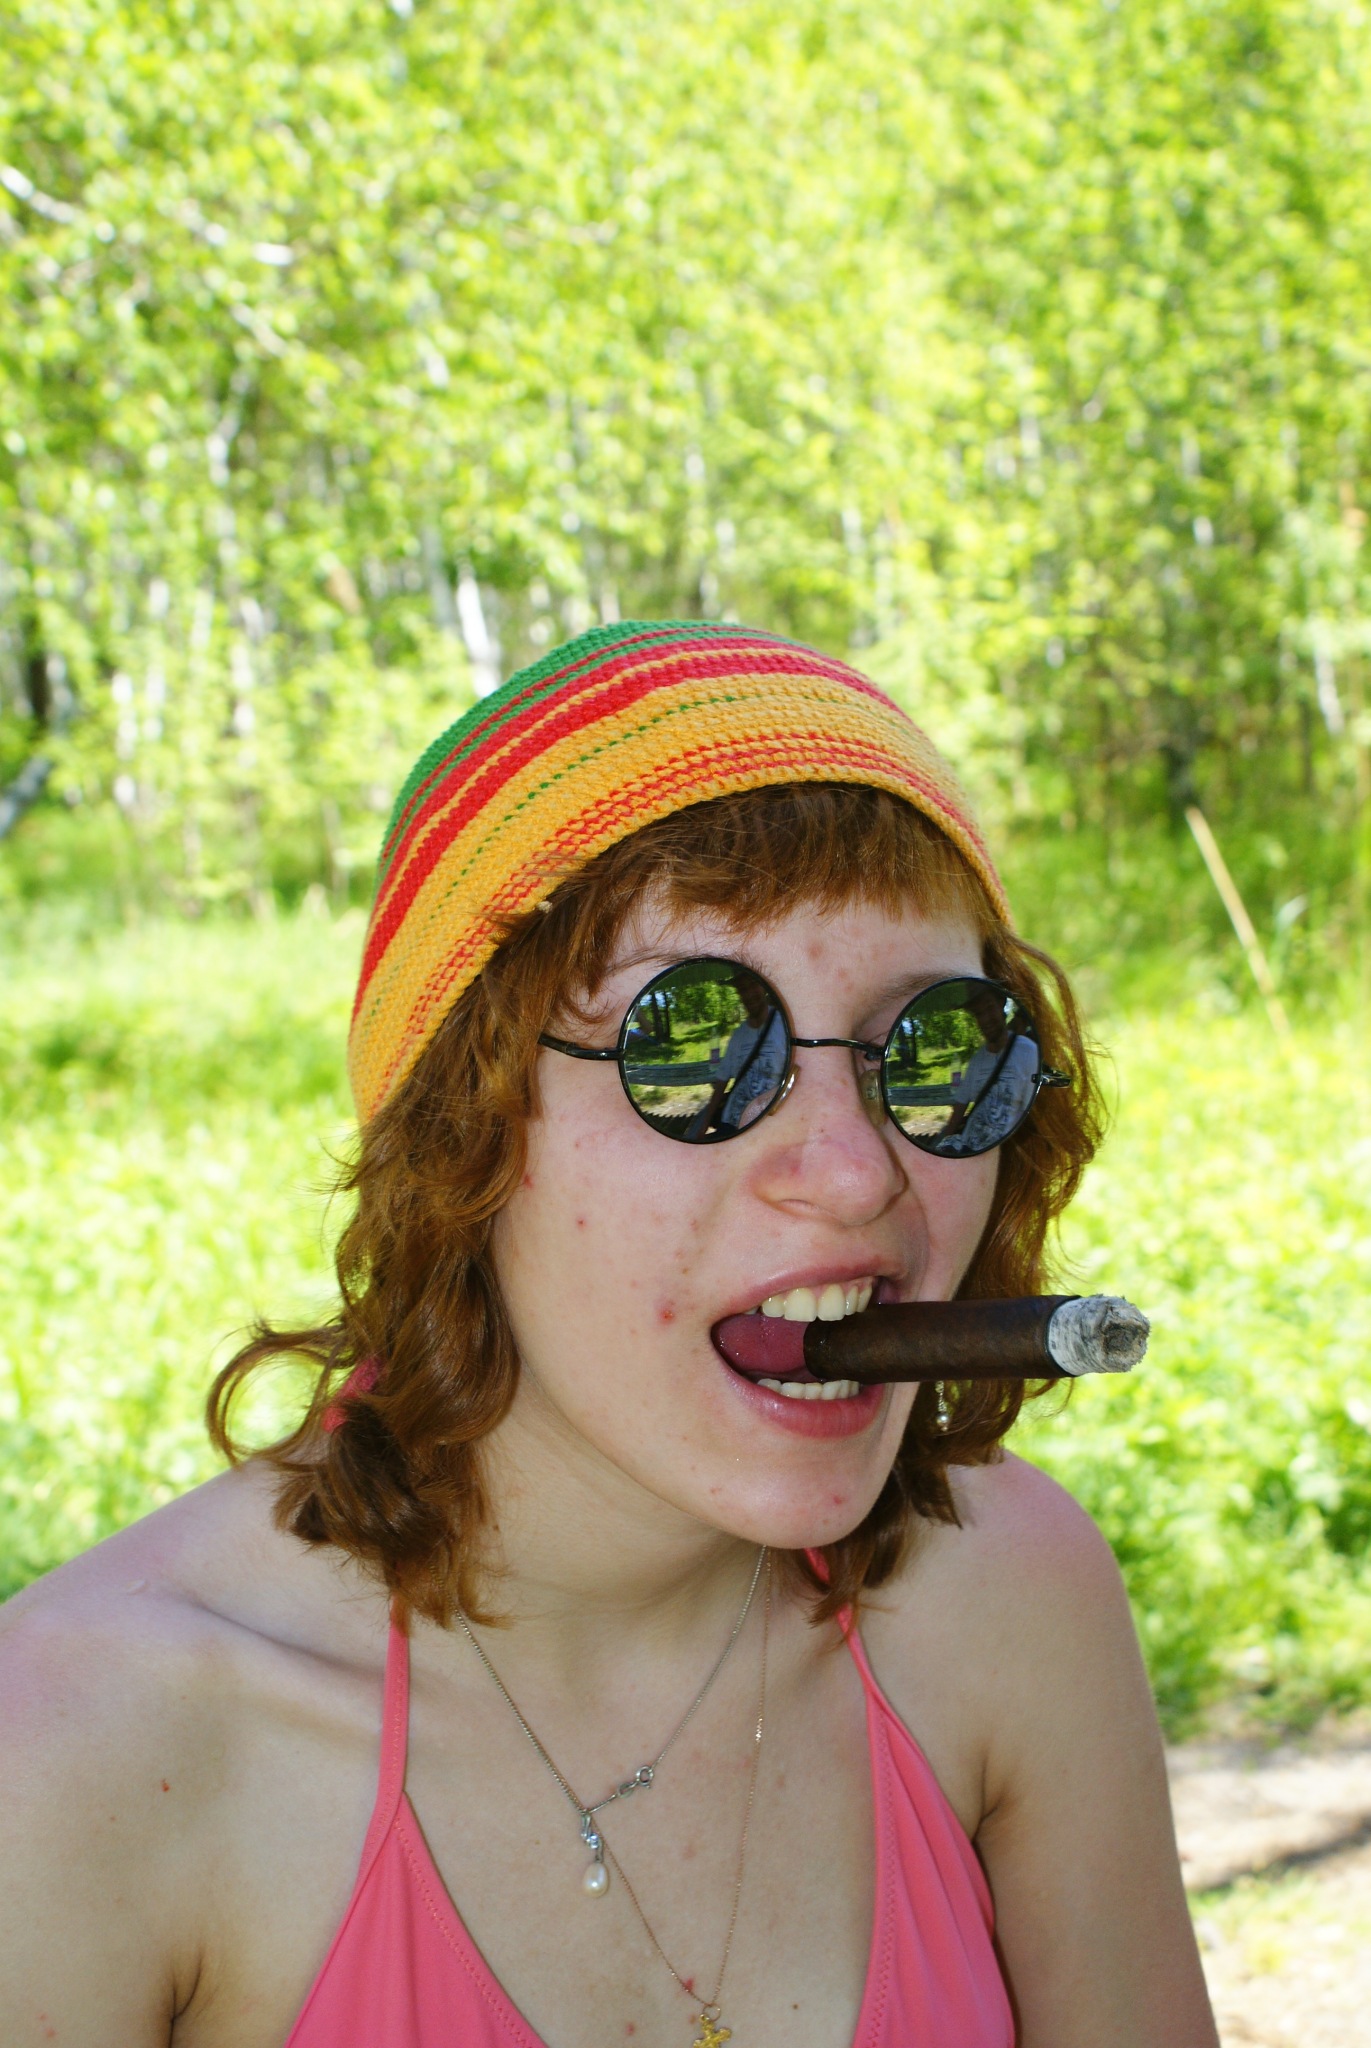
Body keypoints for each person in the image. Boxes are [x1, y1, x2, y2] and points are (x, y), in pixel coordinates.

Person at [0, 622, 1217, 2048]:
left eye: (937, 1047)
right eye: (696, 1047)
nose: (854, 1172)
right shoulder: (82, 1754)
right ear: (462, 1131)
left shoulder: (1010, 1604)